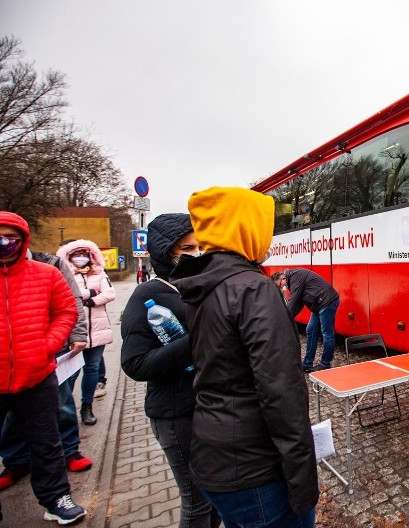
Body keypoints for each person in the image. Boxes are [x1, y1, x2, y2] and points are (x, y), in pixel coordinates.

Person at [171, 187, 319, 527]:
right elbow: (282, 393)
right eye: (264, 228)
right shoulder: (253, 288)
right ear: (246, 230)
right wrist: (302, 483)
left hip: (214, 458)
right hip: (256, 470)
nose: (268, 241)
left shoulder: (202, 284)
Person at [121, 213, 219, 528]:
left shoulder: (191, 286)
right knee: (197, 503)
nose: (195, 254)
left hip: (206, 407)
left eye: (198, 247)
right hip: (176, 415)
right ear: (166, 252)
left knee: (216, 497)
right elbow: (134, 363)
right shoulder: (147, 296)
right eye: (186, 249)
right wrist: (194, 341)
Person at [0, 211, 87, 524]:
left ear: (23, 239)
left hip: (36, 375)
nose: (4, 243)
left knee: (47, 442)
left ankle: (56, 499)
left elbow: (66, 310)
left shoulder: (45, 273)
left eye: (10, 237)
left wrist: (47, 346)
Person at [56, 239, 116, 426]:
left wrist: (90, 299)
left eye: (84, 254)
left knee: (92, 369)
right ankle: (66, 411)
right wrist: (91, 292)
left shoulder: (99, 273)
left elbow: (110, 293)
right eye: (76, 255)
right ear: (69, 256)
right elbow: (64, 295)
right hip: (73, 332)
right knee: (71, 373)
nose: (81, 258)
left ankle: (86, 407)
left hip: (97, 330)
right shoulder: (63, 274)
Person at [281, 268, 340, 372]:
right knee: (310, 330)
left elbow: (294, 299)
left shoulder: (295, 276)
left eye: (281, 285)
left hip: (327, 301)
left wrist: (283, 318)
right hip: (318, 304)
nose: (282, 288)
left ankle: (325, 364)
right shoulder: (292, 280)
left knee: (327, 333)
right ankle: (307, 364)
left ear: (283, 278)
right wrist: (289, 318)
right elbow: (299, 304)